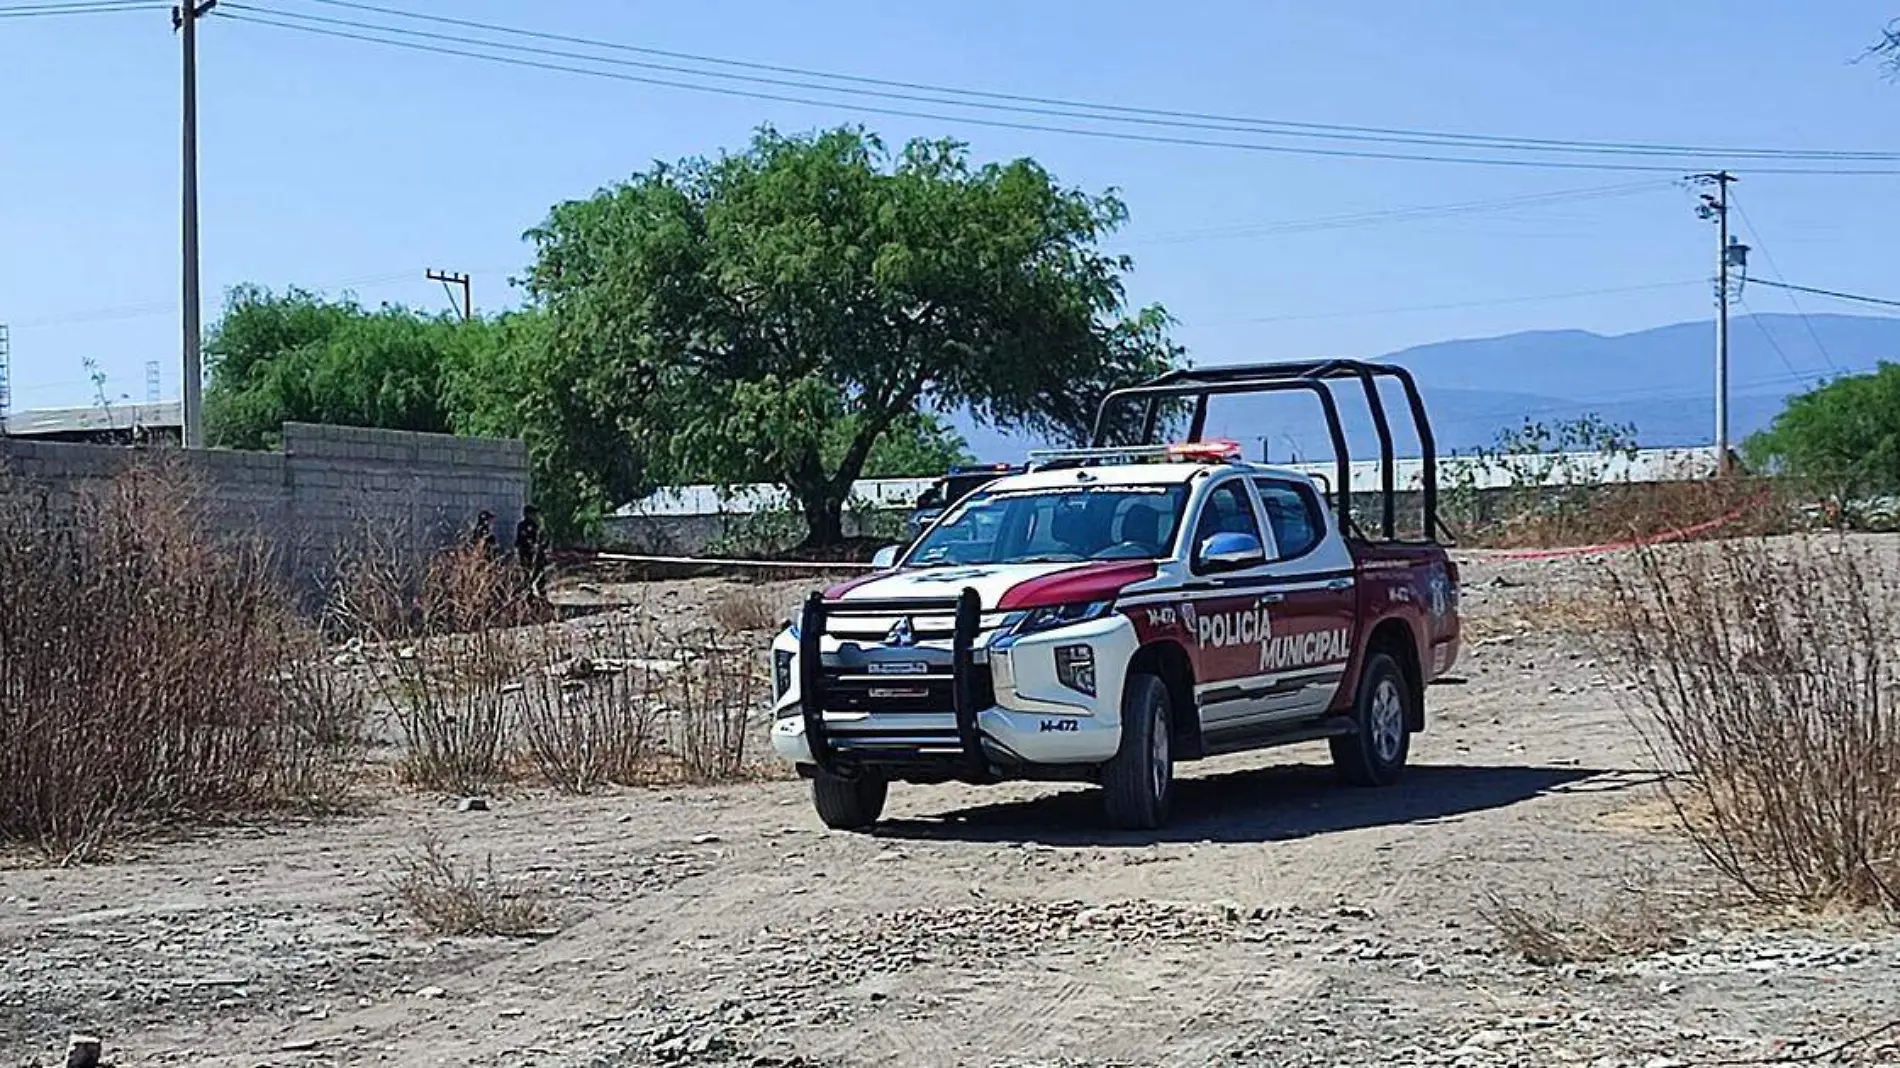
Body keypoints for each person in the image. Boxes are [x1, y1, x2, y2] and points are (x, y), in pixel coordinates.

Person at [515, 504, 547, 581]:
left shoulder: (535, 525)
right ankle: (527, 588)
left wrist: (540, 545)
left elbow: (538, 538)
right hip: (525, 551)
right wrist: (531, 545)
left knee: (538, 570)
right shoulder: (522, 525)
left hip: (534, 552)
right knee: (526, 571)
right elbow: (523, 539)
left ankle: (537, 586)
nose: (535, 515)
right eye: (533, 513)